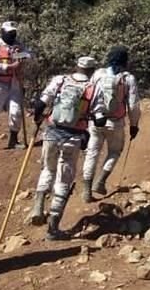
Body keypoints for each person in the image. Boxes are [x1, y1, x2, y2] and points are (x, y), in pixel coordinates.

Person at [29, 56, 99, 240]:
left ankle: (38, 205)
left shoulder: (60, 80)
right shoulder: (92, 88)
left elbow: (41, 103)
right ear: (91, 70)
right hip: (73, 137)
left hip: (52, 132)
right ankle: (53, 228)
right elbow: (99, 117)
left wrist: (37, 118)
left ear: (76, 66)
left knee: (48, 169)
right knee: (64, 179)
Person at [83, 46, 142, 201]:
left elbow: (87, 95)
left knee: (92, 153)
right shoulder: (128, 78)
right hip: (116, 123)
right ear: (125, 60)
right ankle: (101, 181)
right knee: (115, 152)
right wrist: (134, 125)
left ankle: (87, 191)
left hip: (95, 121)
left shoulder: (98, 74)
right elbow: (133, 105)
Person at [0, 21, 32, 153]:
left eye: (14, 32)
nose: (12, 35)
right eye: (9, 32)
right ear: (3, 32)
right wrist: (10, 66)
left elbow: (29, 55)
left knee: (16, 111)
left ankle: (13, 140)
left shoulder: (19, 45)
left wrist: (17, 55)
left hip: (15, 83)